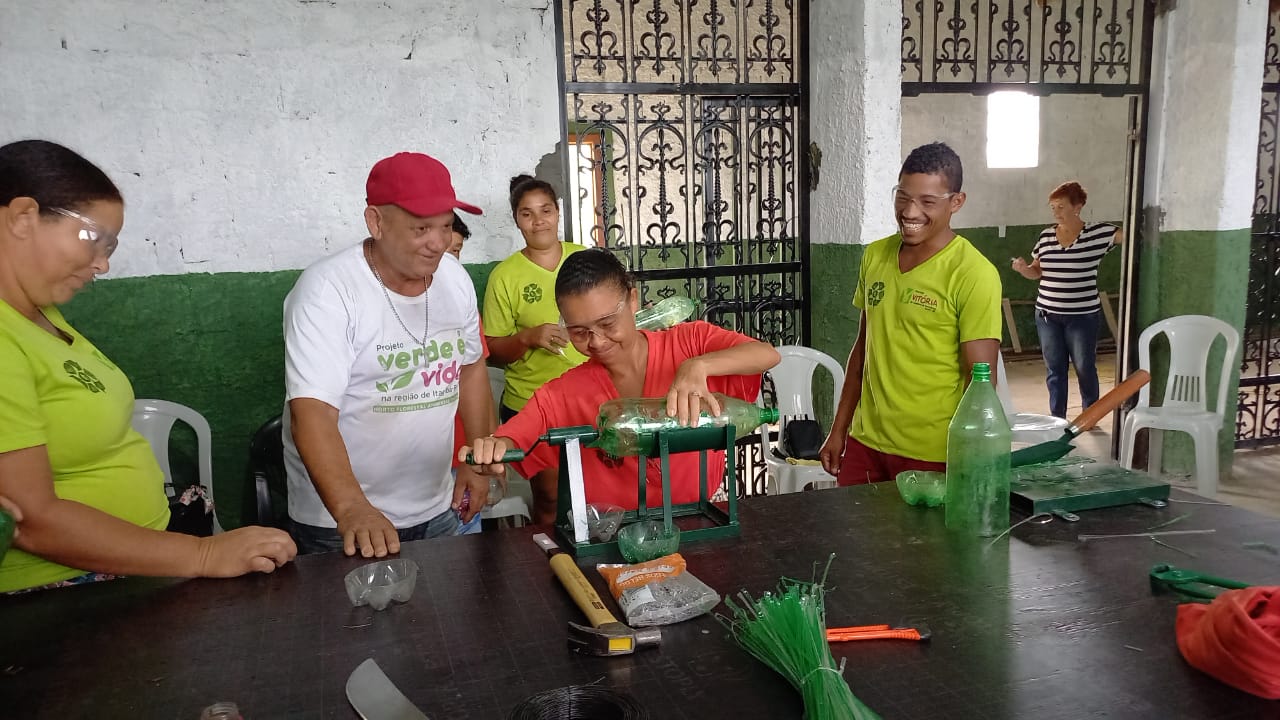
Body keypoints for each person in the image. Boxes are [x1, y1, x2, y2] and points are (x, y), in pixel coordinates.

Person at [0, 139, 296, 593]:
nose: (101, 264)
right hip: (62, 593)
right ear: (23, 217)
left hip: (136, 560)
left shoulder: (40, 314)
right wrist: (203, 554)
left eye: (111, 246)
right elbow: (31, 521)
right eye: (93, 239)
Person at [283, 152, 493, 557]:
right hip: (339, 521)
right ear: (376, 222)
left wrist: (474, 461)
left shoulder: (456, 279)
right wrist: (352, 508)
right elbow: (311, 413)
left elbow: (470, 370)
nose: (438, 243)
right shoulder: (327, 291)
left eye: (446, 226)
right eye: (421, 227)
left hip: (438, 505)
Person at [464, 249, 780, 510]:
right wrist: (493, 449)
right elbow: (516, 438)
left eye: (607, 323)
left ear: (632, 301)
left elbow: (766, 354)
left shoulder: (689, 343)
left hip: (697, 519)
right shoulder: (564, 393)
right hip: (614, 537)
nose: (597, 341)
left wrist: (699, 366)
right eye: (579, 332)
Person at [818, 142, 1002, 486]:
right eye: (902, 196)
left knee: (918, 542)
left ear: (956, 202)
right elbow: (863, 348)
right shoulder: (875, 256)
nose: (910, 212)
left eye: (927, 202)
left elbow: (980, 380)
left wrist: (968, 458)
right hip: (866, 445)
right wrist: (839, 428)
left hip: (933, 453)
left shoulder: (973, 273)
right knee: (852, 539)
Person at [482, 175, 588, 523]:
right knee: (549, 499)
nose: (538, 220)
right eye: (527, 213)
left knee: (601, 493)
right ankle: (551, 565)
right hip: (532, 403)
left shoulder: (584, 261)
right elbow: (493, 352)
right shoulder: (505, 276)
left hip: (591, 398)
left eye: (546, 210)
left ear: (558, 213)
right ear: (516, 219)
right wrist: (528, 337)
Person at [1012, 181, 1123, 418]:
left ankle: (1090, 415)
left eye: (1061, 206)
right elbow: (1037, 272)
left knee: (1084, 367)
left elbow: (1129, 235)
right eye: (1053, 207)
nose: (1056, 212)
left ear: (1078, 206)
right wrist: (1023, 269)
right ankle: (1057, 418)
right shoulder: (1045, 237)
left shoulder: (1097, 233)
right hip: (1047, 315)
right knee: (1055, 370)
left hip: (1082, 316)